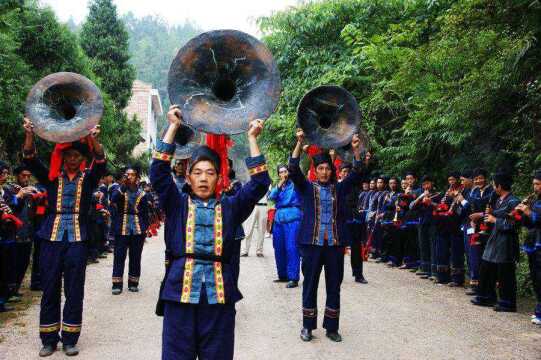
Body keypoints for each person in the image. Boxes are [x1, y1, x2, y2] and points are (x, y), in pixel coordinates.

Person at [150, 106, 270, 360]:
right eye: (197, 172)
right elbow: (158, 174)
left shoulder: (231, 207)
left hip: (219, 299)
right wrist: (172, 126)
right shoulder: (177, 203)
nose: (203, 178)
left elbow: (260, 184)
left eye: (210, 172)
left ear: (218, 178)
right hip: (178, 295)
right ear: (189, 178)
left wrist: (252, 138)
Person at [22, 118, 106, 357]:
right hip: (51, 237)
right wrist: (30, 133)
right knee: (49, 288)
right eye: (68, 156)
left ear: (81, 159)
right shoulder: (50, 177)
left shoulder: (88, 179)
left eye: (76, 156)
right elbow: (29, 159)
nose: (72, 159)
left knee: (74, 289)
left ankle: (70, 338)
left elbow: (101, 161)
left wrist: (94, 138)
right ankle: (49, 339)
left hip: (77, 240)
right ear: (63, 157)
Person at [289, 128, 370, 343]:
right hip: (311, 245)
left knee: (334, 286)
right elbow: (293, 169)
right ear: (315, 170)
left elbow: (358, 172)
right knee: (310, 285)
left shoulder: (339, 189)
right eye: (320, 168)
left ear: (331, 171)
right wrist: (299, 142)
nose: (324, 172)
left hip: (334, 245)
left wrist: (356, 149)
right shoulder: (306, 188)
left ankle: (332, 327)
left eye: (327, 168)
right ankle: (307, 326)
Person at [472, 172, 520, 312]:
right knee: (486, 265)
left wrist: (495, 220)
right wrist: (491, 214)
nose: (493, 187)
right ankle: (485, 296)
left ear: (500, 186)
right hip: (495, 237)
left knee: (505, 271)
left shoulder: (514, 201)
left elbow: (514, 223)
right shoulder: (498, 200)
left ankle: (507, 302)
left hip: (506, 241)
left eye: (494, 184)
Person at [110, 165, 152, 294]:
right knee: (119, 256)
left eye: (132, 174)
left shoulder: (143, 194)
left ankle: (133, 282)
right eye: (127, 174)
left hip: (138, 229)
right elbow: (113, 200)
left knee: (135, 256)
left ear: (137, 177)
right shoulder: (119, 190)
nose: (129, 177)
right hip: (122, 228)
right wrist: (123, 186)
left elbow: (146, 213)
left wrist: (145, 228)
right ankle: (117, 284)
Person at [268, 164, 302, 288]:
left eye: (285, 171)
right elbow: (271, 197)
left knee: (291, 247)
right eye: (281, 172)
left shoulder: (295, 184)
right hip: (279, 218)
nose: (283, 174)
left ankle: (293, 277)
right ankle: (283, 275)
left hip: (293, 216)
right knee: (278, 247)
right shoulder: (277, 186)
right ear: (278, 174)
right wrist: (279, 184)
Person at [515, 170, 541, 325]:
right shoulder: (535, 201)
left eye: (538, 184)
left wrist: (529, 212)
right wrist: (522, 214)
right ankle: (539, 311)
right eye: (534, 184)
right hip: (533, 242)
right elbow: (530, 223)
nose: (535, 187)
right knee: (536, 278)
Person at [410, 175, 441, 280]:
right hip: (422, 222)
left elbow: (441, 207)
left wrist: (430, 202)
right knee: (423, 245)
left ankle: (434, 272)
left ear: (432, 183)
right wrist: (421, 197)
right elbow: (411, 206)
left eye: (427, 183)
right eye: (423, 184)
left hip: (433, 222)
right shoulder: (420, 194)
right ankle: (425, 269)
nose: (426, 186)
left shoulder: (438, 194)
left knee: (433, 245)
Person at [352, 180, 370, 283]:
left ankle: (358, 274)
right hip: (341, 220)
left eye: (347, 172)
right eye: (344, 172)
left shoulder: (356, 189)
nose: (345, 174)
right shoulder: (337, 186)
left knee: (356, 248)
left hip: (354, 220)